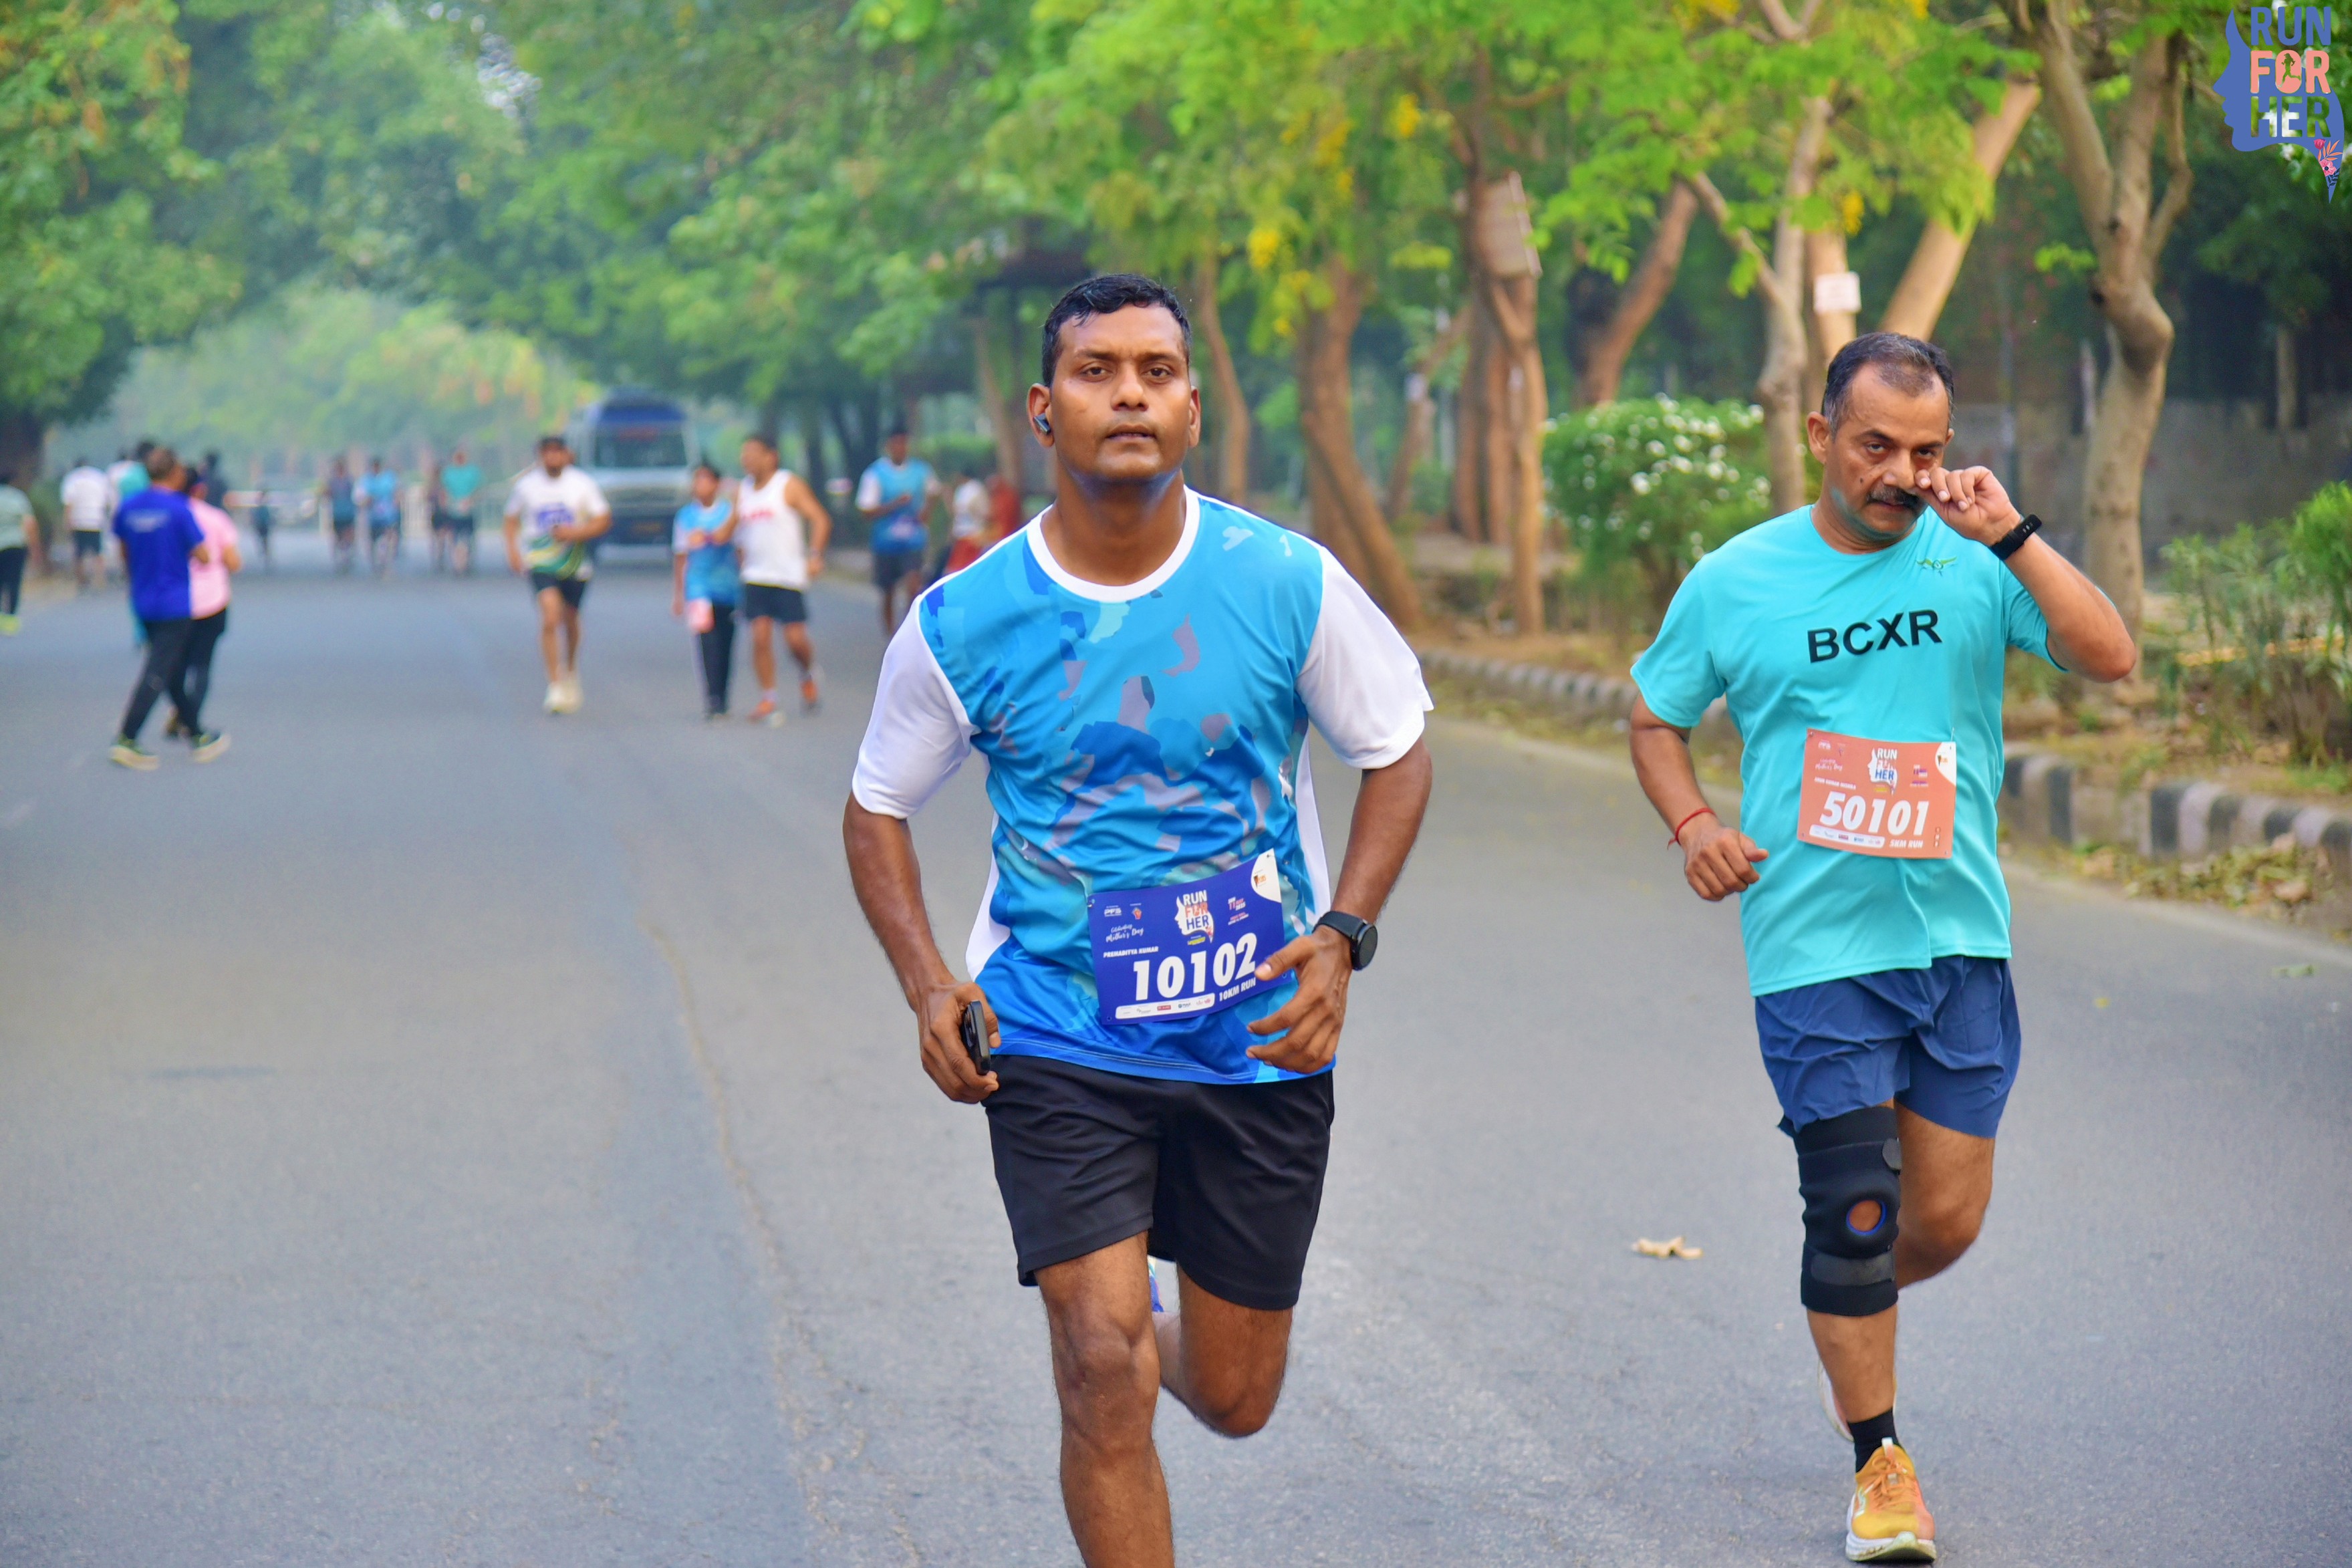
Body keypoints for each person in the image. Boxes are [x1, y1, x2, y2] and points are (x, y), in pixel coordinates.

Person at [843, 274, 1434, 1568]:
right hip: (1056, 1030)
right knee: (1099, 1364)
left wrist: (1342, 934)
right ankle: (1105, 1328)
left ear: (1192, 408)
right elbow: (875, 806)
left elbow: (1395, 748)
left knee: (1231, 1392)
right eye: (1097, 371)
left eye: (1156, 372)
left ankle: (1149, 1328)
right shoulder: (966, 618)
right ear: (1041, 409)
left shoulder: (1282, 580)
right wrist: (929, 983)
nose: (1129, 394)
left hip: (1256, 1037)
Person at [1626, 333, 2136, 1565]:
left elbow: (2109, 657)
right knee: (1854, 1210)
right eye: (1873, 446)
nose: (1900, 474)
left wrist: (2010, 535)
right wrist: (1693, 824)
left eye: (1923, 450)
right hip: (1812, 945)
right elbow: (1653, 715)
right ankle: (1879, 1462)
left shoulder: (1975, 559)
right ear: (1819, 436)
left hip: (1957, 936)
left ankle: (1842, 1298)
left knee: (1940, 1221)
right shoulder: (1735, 578)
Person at [108, 448, 225, 769]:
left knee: (169, 668)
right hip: (174, 601)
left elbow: (124, 549)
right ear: (175, 474)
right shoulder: (178, 508)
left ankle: (197, 733)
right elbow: (202, 554)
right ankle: (127, 736)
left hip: (143, 597)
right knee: (158, 670)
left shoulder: (129, 507)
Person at [503, 434, 611, 714]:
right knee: (550, 616)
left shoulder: (582, 484)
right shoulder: (527, 486)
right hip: (541, 560)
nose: (552, 458)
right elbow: (511, 518)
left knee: (570, 618)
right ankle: (554, 683)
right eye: (547, 453)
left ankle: (570, 669)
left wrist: (577, 533)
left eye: (557, 452)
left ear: (567, 455)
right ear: (540, 456)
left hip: (575, 562)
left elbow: (603, 519)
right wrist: (513, 552)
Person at [735, 431, 831, 723]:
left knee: (795, 640)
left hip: (788, 575)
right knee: (760, 637)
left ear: (771, 457)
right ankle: (769, 698)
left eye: (754, 453)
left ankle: (807, 672)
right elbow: (737, 531)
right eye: (745, 454)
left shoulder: (788, 485)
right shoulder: (742, 490)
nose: (747, 459)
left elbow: (820, 519)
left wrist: (815, 555)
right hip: (755, 575)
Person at [162, 467, 243, 743]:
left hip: (175, 601)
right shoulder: (215, 518)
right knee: (202, 665)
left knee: (177, 663)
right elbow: (233, 561)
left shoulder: (167, 517)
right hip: (212, 601)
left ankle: (182, 712)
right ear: (200, 490)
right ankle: (190, 717)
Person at [670, 461, 741, 719]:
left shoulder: (729, 513)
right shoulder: (685, 517)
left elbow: (738, 547)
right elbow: (681, 557)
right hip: (698, 588)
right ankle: (712, 697)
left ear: (717, 484)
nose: (700, 485)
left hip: (727, 586)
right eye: (697, 480)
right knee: (706, 641)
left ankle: (723, 695)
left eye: (706, 480)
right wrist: (679, 594)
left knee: (725, 641)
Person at [855, 426, 940, 632]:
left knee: (914, 586)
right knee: (888, 592)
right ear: (888, 446)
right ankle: (891, 634)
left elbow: (934, 491)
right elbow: (866, 512)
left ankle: (909, 631)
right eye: (896, 444)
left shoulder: (921, 471)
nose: (901, 448)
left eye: (904, 443)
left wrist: (926, 511)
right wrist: (895, 504)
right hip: (885, 543)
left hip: (914, 540)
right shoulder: (875, 474)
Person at [63, 456, 114, 590]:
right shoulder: (99, 477)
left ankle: (81, 581)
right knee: (98, 552)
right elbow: (107, 501)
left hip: (78, 521)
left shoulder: (72, 479)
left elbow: (68, 503)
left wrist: (68, 522)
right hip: (96, 519)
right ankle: (100, 579)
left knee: (79, 553)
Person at [434, 446, 483, 575]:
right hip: (453, 511)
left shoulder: (473, 472)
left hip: (469, 511)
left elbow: (479, 490)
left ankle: (465, 561)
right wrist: (445, 506)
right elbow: (444, 491)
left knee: (467, 538)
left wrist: (470, 501)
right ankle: (458, 564)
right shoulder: (448, 473)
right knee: (454, 539)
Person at [939, 467, 993, 578]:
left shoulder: (975, 489)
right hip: (962, 536)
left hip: (973, 535)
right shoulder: (962, 490)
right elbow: (956, 513)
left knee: (966, 570)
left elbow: (985, 513)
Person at [0, 469, 31, 634]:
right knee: (14, 582)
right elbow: (29, 522)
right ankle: (11, 618)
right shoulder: (18, 497)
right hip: (15, 545)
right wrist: (33, 545)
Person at [362, 456, 402, 575]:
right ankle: (375, 562)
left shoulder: (389, 478)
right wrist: (367, 500)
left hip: (388, 515)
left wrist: (397, 501)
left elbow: (397, 492)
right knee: (373, 541)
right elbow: (362, 496)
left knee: (390, 537)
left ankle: (387, 561)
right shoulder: (367, 480)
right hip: (374, 516)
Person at [323, 459, 359, 573]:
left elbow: (356, 494)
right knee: (338, 537)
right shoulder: (333, 482)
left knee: (349, 536)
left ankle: (348, 554)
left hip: (348, 512)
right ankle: (340, 556)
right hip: (337, 513)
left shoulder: (349, 481)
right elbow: (327, 495)